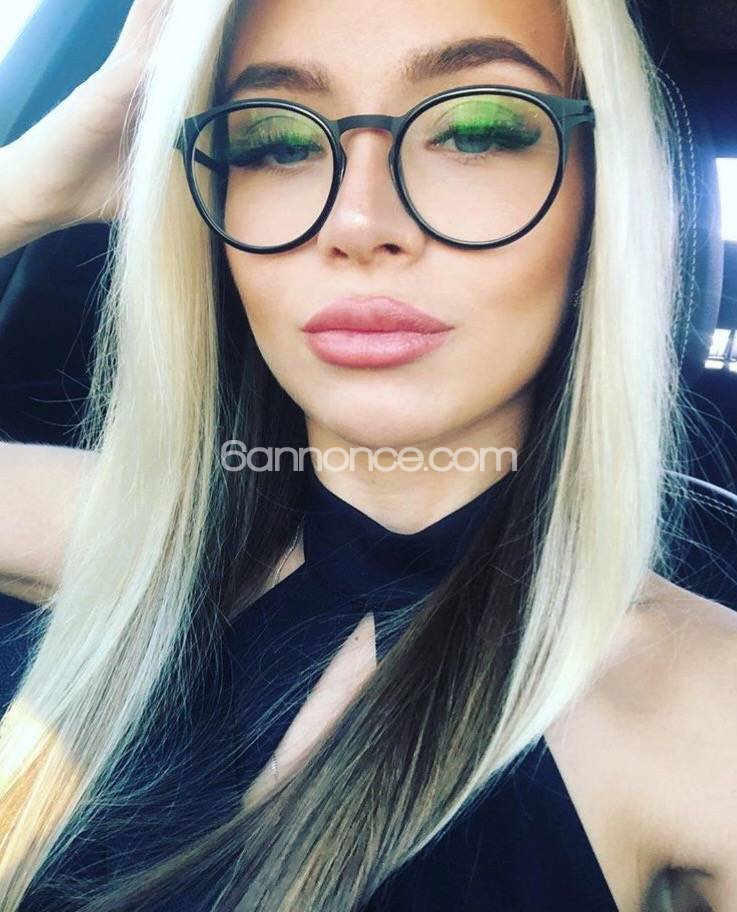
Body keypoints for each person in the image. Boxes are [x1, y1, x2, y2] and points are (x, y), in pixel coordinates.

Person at [0, 0, 735, 909]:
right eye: (274, 143)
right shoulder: (125, 537)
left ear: (601, 198)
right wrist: (27, 188)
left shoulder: (706, 710)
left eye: (477, 131)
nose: (356, 219)